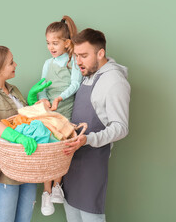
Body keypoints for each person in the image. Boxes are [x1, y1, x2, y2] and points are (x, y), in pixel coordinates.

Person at [0, 46, 50, 222]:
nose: (16, 64)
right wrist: (16, 137)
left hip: (26, 166)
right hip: (2, 169)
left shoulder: (13, 89)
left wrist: (30, 101)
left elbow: (24, 120)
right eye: (11, 62)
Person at [62, 28, 131, 222]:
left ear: (100, 53)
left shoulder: (114, 82)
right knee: (71, 213)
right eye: (76, 55)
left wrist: (88, 139)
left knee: (92, 216)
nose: (78, 62)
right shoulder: (88, 74)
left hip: (92, 162)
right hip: (72, 158)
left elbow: (121, 126)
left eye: (83, 56)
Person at [36, 15, 83, 216]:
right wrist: (45, 100)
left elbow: (75, 84)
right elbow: (41, 88)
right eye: (48, 43)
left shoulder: (73, 62)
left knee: (62, 150)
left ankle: (57, 186)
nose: (51, 47)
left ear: (67, 43)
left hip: (66, 111)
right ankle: (46, 193)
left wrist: (60, 99)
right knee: (47, 149)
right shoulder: (48, 64)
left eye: (55, 43)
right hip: (50, 113)